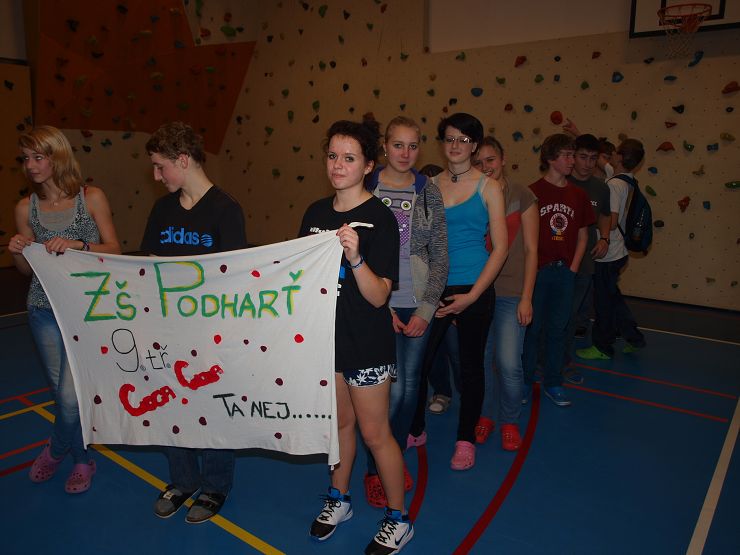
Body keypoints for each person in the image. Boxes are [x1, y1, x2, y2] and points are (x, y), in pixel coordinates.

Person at [300, 117, 413, 554]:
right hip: (326, 343)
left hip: (366, 344)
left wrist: (356, 258)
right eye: (332, 156)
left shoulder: (379, 218)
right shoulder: (315, 214)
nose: (337, 165)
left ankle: (398, 519)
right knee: (339, 426)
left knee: (375, 434)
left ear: (368, 166)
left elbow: (380, 296)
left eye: (349, 158)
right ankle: (339, 498)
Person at [141, 122, 247, 523]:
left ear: (182, 160)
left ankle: (216, 485)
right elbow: (149, 269)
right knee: (170, 403)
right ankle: (183, 479)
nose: (156, 176)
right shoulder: (162, 210)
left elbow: (234, 280)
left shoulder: (225, 210)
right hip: (168, 332)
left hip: (210, 334)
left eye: (160, 166)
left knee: (212, 408)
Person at [9, 125, 121, 493]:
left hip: (86, 311)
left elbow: (115, 249)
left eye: (38, 157)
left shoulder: (91, 198)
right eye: (26, 158)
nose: (30, 165)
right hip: (43, 309)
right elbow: (27, 271)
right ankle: (83, 460)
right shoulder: (25, 208)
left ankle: (55, 450)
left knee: (71, 398)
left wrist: (78, 245)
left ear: (57, 158)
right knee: (63, 396)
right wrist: (19, 252)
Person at [408, 113, 508, 470]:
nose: (456, 145)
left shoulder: (489, 187)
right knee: (418, 364)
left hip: (473, 286)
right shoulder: (428, 185)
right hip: (433, 287)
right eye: (450, 138)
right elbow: (418, 241)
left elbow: (500, 248)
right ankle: (415, 429)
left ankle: (465, 440)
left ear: (474, 145)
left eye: (463, 140)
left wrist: (473, 296)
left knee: (470, 368)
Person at [363, 116, 448, 508]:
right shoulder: (367, 186)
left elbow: (440, 255)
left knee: (410, 388)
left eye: (413, 146)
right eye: (398, 145)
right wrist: (380, 309)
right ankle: (374, 468)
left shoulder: (428, 191)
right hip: (375, 303)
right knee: (389, 393)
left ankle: (390, 461)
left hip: (416, 303)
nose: (405, 153)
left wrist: (426, 310)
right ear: (385, 147)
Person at [474, 136, 538, 450]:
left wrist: (526, 297)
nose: (486, 167)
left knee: (509, 363)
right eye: (478, 162)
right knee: (482, 361)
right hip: (478, 293)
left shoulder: (522, 195)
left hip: (512, 293)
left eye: (491, 160)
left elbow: (531, 249)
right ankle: (485, 416)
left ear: (503, 159)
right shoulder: (471, 197)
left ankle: (509, 420)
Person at [522, 134, 594, 407]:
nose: (572, 161)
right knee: (532, 330)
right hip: (537, 273)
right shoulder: (532, 192)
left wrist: (572, 269)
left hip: (564, 273)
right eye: (567, 155)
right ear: (551, 158)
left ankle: (553, 382)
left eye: (573, 155)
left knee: (558, 330)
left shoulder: (579, 195)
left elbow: (583, 237)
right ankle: (526, 381)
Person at [576, 139, 647, 360]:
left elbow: (612, 221)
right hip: (618, 252)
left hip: (608, 254)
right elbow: (602, 163)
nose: (611, 155)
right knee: (613, 299)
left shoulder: (614, 186)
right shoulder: (626, 178)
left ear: (620, 157)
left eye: (615, 152)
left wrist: (587, 218)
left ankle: (603, 347)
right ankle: (634, 337)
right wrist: (580, 135)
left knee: (603, 303)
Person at [561, 134, 612, 385]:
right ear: (573, 156)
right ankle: (539, 360)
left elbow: (605, 215)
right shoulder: (561, 181)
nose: (588, 163)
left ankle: (563, 361)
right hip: (555, 261)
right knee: (548, 314)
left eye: (593, 158)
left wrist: (605, 238)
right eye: (583, 157)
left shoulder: (601, 187)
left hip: (584, 264)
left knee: (571, 316)